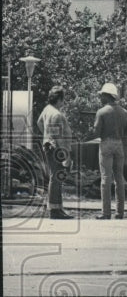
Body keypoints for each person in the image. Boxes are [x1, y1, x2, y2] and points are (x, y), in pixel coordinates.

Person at [93, 83, 127, 220]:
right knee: (119, 178)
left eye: (102, 95)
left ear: (107, 96)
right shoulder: (125, 113)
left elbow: (96, 131)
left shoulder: (102, 112)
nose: (100, 97)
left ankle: (106, 212)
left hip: (106, 143)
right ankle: (120, 213)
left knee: (106, 178)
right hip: (119, 144)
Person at [37, 86, 74, 220]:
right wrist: (66, 155)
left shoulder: (47, 109)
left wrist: (46, 136)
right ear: (59, 99)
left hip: (49, 145)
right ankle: (54, 210)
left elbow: (39, 122)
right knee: (56, 177)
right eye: (63, 99)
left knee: (57, 177)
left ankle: (58, 208)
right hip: (56, 148)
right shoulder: (56, 114)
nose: (64, 102)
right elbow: (58, 137)